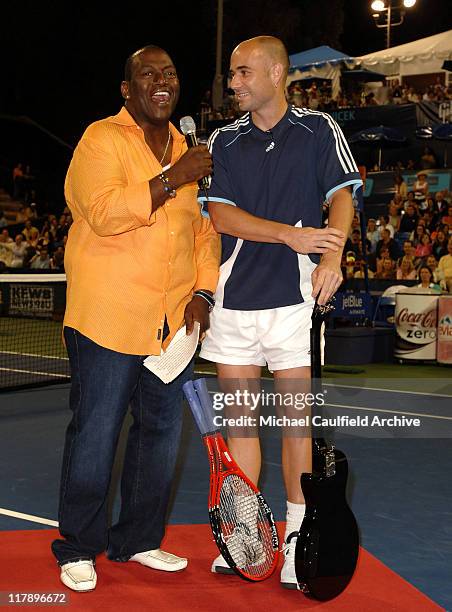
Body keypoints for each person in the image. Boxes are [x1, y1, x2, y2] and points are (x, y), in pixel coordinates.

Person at [51, 45, 220, 593]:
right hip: (108, 317)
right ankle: (77, 547)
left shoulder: (184, 148)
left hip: (171, 324)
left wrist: (202, 291)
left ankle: (139, 539)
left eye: (169, 72)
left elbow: (202, 231)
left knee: (161, 436)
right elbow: (100, 212)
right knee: (97, 434)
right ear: (128, 90)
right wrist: (173, 177)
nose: (161, 81)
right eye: (147, 74)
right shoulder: (101, 139)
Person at [198, 36, 362, 588]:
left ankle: (297, 536)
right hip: (232, 304)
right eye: (231, 74)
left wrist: (331, 254)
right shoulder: (223, 139)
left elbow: (342, 193)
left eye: (243, 73)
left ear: (274, 73)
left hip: (293, 305)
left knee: (296, 428)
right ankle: (244, 529)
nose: (234, 83)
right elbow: (220, 215)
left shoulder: (319, 130)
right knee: (240, 422)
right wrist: (292, 236)